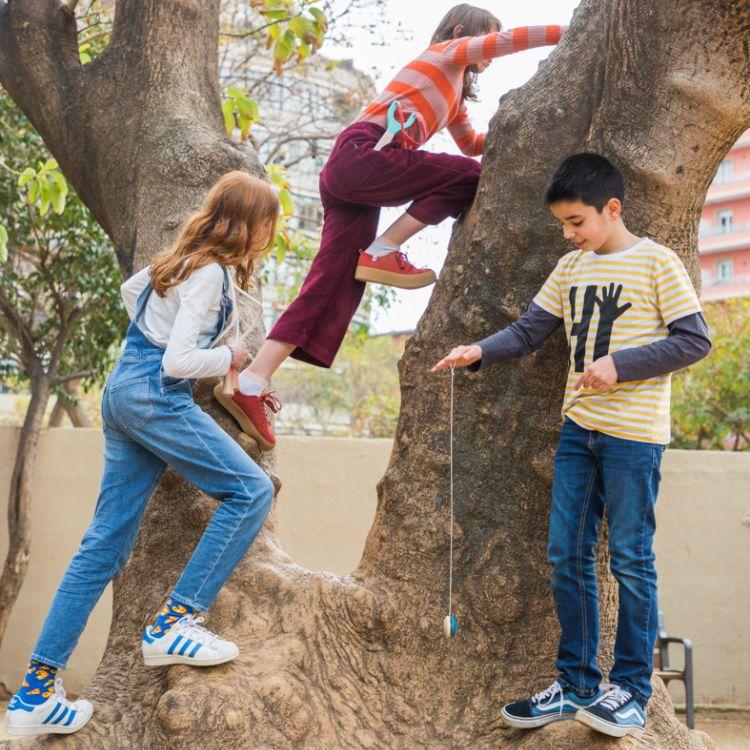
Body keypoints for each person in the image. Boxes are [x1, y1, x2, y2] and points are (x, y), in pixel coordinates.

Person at [432, 153, 712, 739]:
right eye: (563, 224)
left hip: (635, 439)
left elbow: (693, 341)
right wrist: (478, 350)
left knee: (632, 561)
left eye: (577, 221)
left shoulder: (658, 262)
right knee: (567, 555)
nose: (569, 234)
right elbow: (531, 330)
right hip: (577, 432)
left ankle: (631, 690)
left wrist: (620, 364)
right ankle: (578, 684)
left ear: (612, 209)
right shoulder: (569, 268)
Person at [214, 4, 567, 452]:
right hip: (362, 154)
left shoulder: (455, 96)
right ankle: (383, 249)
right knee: (463, 178)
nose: (491, 53)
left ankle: (253, 379)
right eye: (487, 39)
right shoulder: (444, 53)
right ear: (462, 31)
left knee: (332, 284)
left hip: (355, 176)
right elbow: (511, 41)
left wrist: (517, 123)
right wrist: (571, 34)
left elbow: (474, 144)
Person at [4, 171, 278, 736]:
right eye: (268, 222)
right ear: (248, 222)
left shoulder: (178, 263)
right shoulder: (210, 275)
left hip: (123, 392)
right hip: (156, 394)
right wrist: (230, 355)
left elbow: (134, 294)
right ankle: (176, 621)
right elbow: (179, 362)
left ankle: (36, 691)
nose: (271, 234)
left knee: (103, 547)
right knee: (250, 491)